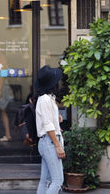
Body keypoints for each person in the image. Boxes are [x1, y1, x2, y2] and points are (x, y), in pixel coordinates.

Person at [35, 65, 65, 194]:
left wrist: (56, 119)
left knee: (45, 180)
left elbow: (48, 121)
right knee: (58, 180)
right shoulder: (45, 100)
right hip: (50, 143)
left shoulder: (48, 99)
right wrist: (58, 146)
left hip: (47, 142)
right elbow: (48, 126)